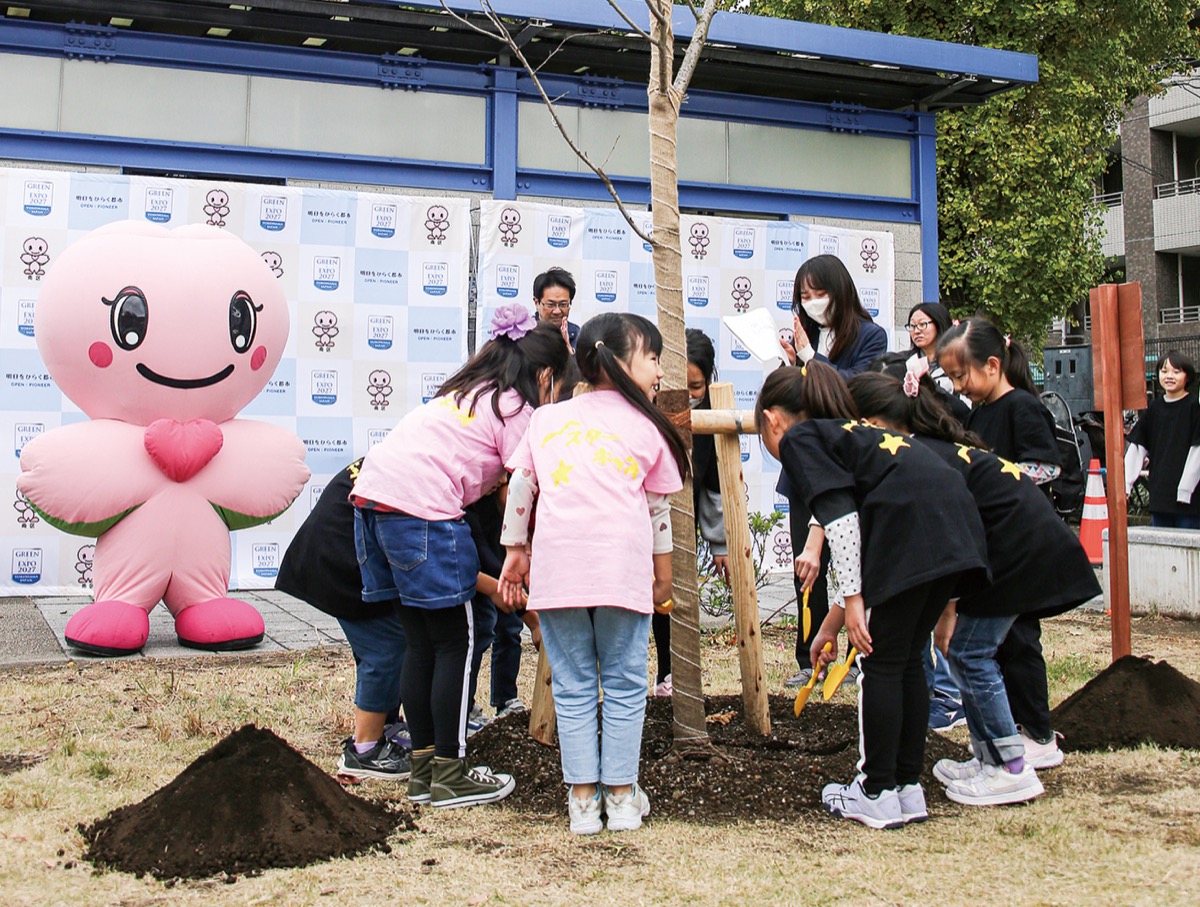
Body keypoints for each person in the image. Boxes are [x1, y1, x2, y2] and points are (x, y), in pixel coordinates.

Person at [848, 365, 1099, 806]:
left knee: (970, 652)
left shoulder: (911, 457)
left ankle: (1010, 767)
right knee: (966, 650)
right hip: (1013, 546)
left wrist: (948, 608)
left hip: (1019, 551)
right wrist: (947, 608)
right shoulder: (932, 448)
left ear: (876, 424)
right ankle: (990, 757)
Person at [351, 307, 569, 809]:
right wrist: (525, 548)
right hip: (424, 510)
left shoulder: (465, 394)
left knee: (421, 641)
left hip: (372, 504)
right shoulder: (519, 408)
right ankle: (451, 772)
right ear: (544, 376)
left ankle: (424, 770)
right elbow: (520, 483)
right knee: (459, 640)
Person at [757, 362, 988, 830]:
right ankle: (906, 787)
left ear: (772, 420)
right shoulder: (852, 434)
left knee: (879, 663)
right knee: (903, 660)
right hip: (955, 529)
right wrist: (834, 621)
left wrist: (854, 602)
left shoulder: (803, 439)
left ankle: (876, 790)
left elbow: (840, 521)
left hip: (916, 536)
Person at [498, 312, 688, 835]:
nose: (657, 370)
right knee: (626, 682)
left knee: (575, 682)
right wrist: (664, 575)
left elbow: (520, 489)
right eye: (653, 358)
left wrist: (515, 551)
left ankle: (583, 800)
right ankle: (622, 797)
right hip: (621, 571)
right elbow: (657, 512)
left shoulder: (547, 419)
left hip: (558, 572)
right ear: (622, 361)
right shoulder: (646, 423)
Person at [937, 317, 1066, 771]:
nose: (960, 386)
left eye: (962, 375)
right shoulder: (976, 413)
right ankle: (1004, 734)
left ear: (993, 365)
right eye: (951, 378)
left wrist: (998, 477)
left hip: (1022, 545)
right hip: (992, 544)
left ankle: (1039, 734)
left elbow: (1049, 468)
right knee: (993, 647)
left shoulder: (1023, 409)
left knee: (1021, 641)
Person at [276, 458, 411, 780]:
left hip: (346, 554)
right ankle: (364, 751)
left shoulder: (409, 449)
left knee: (392, 642)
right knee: (386, 648)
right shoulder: (424, 464)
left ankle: (386, 724)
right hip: (337, 562)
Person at [652, 328, 730, 697]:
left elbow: (713, 484)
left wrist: (719, 542)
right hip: (643, 518)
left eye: (695, 387)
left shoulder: (712, 416)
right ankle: (652, 672)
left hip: (679, 525)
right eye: (680, 385)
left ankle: (673, 674)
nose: (687, 396)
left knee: (677, 595)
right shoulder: (648, 407)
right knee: (649, 599)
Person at [1124, 350, 1200, 529]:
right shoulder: (1154, 409)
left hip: (1190, 501)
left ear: (1187, 376)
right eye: (1164, 371)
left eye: (1176, 371)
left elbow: (1197, 452)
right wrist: (1125, 485)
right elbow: (1137, 447)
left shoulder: (1194, 407)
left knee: (1189, 554)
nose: (1169, 376)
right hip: (1160, 496)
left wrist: (1185, 489)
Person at [780, 254, 888, 378]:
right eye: (806, 297)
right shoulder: (806, 333)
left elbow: (857, 384)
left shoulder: (871, 336)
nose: (814, 303)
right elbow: (783, 392)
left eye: (820, 295)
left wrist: (811, 358)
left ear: (841, 291)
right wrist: (790, 365)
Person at [905, 302, 971, 424]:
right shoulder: (905, 362)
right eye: (912, 326)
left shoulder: (957, 363)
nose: (916, 331)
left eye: (922, 324)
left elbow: (965, 410)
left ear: (939, 323)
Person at [533, 267, 580, 351]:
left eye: (563, 304)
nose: (557, 311)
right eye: (550, 305)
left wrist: (570, 356)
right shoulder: (524, 334)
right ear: (537, 303)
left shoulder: (578, 337)